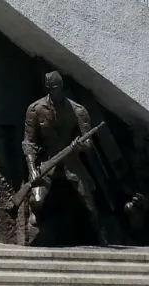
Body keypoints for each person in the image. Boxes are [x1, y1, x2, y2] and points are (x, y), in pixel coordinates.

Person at [21, 70, 108, 245]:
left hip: (71, 161)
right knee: (36, 200)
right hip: (47, 161)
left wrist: (79, 146)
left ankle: (100, 234)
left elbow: (89, 144)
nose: (53, 92)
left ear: (61, 87)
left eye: (56, 88)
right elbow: (28, 142)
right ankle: (32, 235)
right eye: (50, 89)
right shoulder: (35, 109)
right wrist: (32, 169)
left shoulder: (78, 110)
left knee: (88, 201)